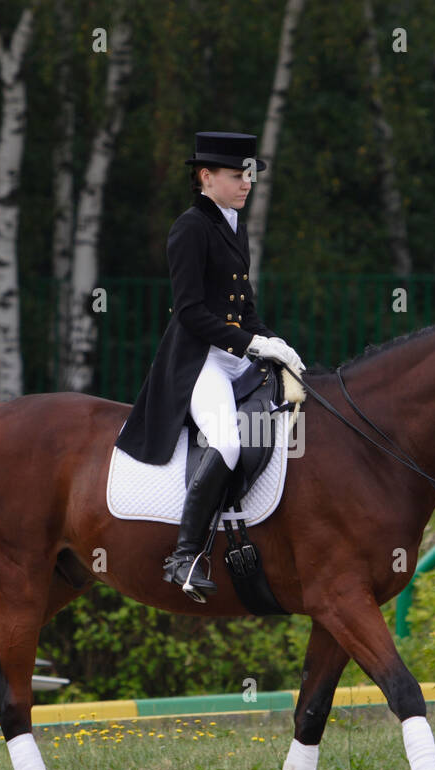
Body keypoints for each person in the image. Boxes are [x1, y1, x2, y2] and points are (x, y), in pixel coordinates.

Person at [115, 131, 305, 602]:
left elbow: (244, 305)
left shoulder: (233, 223)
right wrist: (252, 344)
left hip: (234, 355)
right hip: (199, 361)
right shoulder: (191, 227)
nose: (247, 183)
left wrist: (273, 342)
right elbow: (192, 313)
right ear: (206, 176)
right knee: (227, 440)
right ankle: (184, 555)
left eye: (250, 174)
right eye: (238, 175)